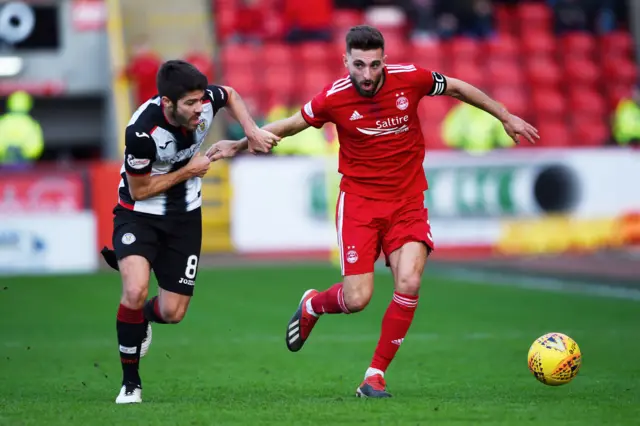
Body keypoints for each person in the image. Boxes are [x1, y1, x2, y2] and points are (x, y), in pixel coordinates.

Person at [207, 25, 539, 398]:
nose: (367, 74)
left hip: (408, 200)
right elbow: (291, 125)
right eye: (359, 65)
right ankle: (314, 304)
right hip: (360, 205)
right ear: (345, 60)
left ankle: (374, 376)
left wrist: (504, 115)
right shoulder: (333, 97)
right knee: (357, 299)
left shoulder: (411, 79)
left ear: (385, 61)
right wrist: (238, 144)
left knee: (410, 282)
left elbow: (459, 86)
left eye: (375, 65)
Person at [100, 60, 279, 404]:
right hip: (138, 215)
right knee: (135, 290)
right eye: (191, 104)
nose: (200, 109)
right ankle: (130, 383)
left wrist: (251, 131)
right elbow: (139, 191)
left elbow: (229, 94)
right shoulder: (141, 132)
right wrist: (189, 170)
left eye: (201, 101)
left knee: (173, 313)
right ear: (168, 103)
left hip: (185, 218)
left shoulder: (206, 102)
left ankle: (143, 319)